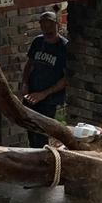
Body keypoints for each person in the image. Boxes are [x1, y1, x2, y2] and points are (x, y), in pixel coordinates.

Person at [21, 11, 68, 148]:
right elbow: (29, 65)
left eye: (50, 26)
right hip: (31, 94)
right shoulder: (38, 41)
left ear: (57, 25)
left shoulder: (63, 47)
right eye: (44, 26)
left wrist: (44, 94)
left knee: (42, 133)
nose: (47, 29)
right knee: (30, 129)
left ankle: (42, 162)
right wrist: (25, 84)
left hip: (49, 99)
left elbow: (66, 79)